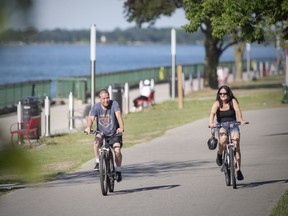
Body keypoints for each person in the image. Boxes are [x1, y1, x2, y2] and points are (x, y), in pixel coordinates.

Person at [85, 89, 124, 182]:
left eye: (107, 98)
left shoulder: (114, 104)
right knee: (96, 142)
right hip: (101, 132)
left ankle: (118, 170)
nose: (106, 100)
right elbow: (91, 119)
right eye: (103, 98)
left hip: (114, 132)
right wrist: (88, 127)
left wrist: (121, 127)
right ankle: (98, 161)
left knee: (117, 150)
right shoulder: (96, 107)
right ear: (100, 99)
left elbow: (118, 116)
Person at [209, 85, 246, 181]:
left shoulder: (232, 101)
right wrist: (211, 123)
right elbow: (212, 114)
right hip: (221, 125)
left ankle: (238, 170)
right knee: (223, 139)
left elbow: (238, 111)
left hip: (233, 124)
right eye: (220, 93)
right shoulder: (217, 103)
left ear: (228, 94)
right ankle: (220, 153)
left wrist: (241, 120)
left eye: (224, 93)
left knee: (236, 144)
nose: (222, 95)